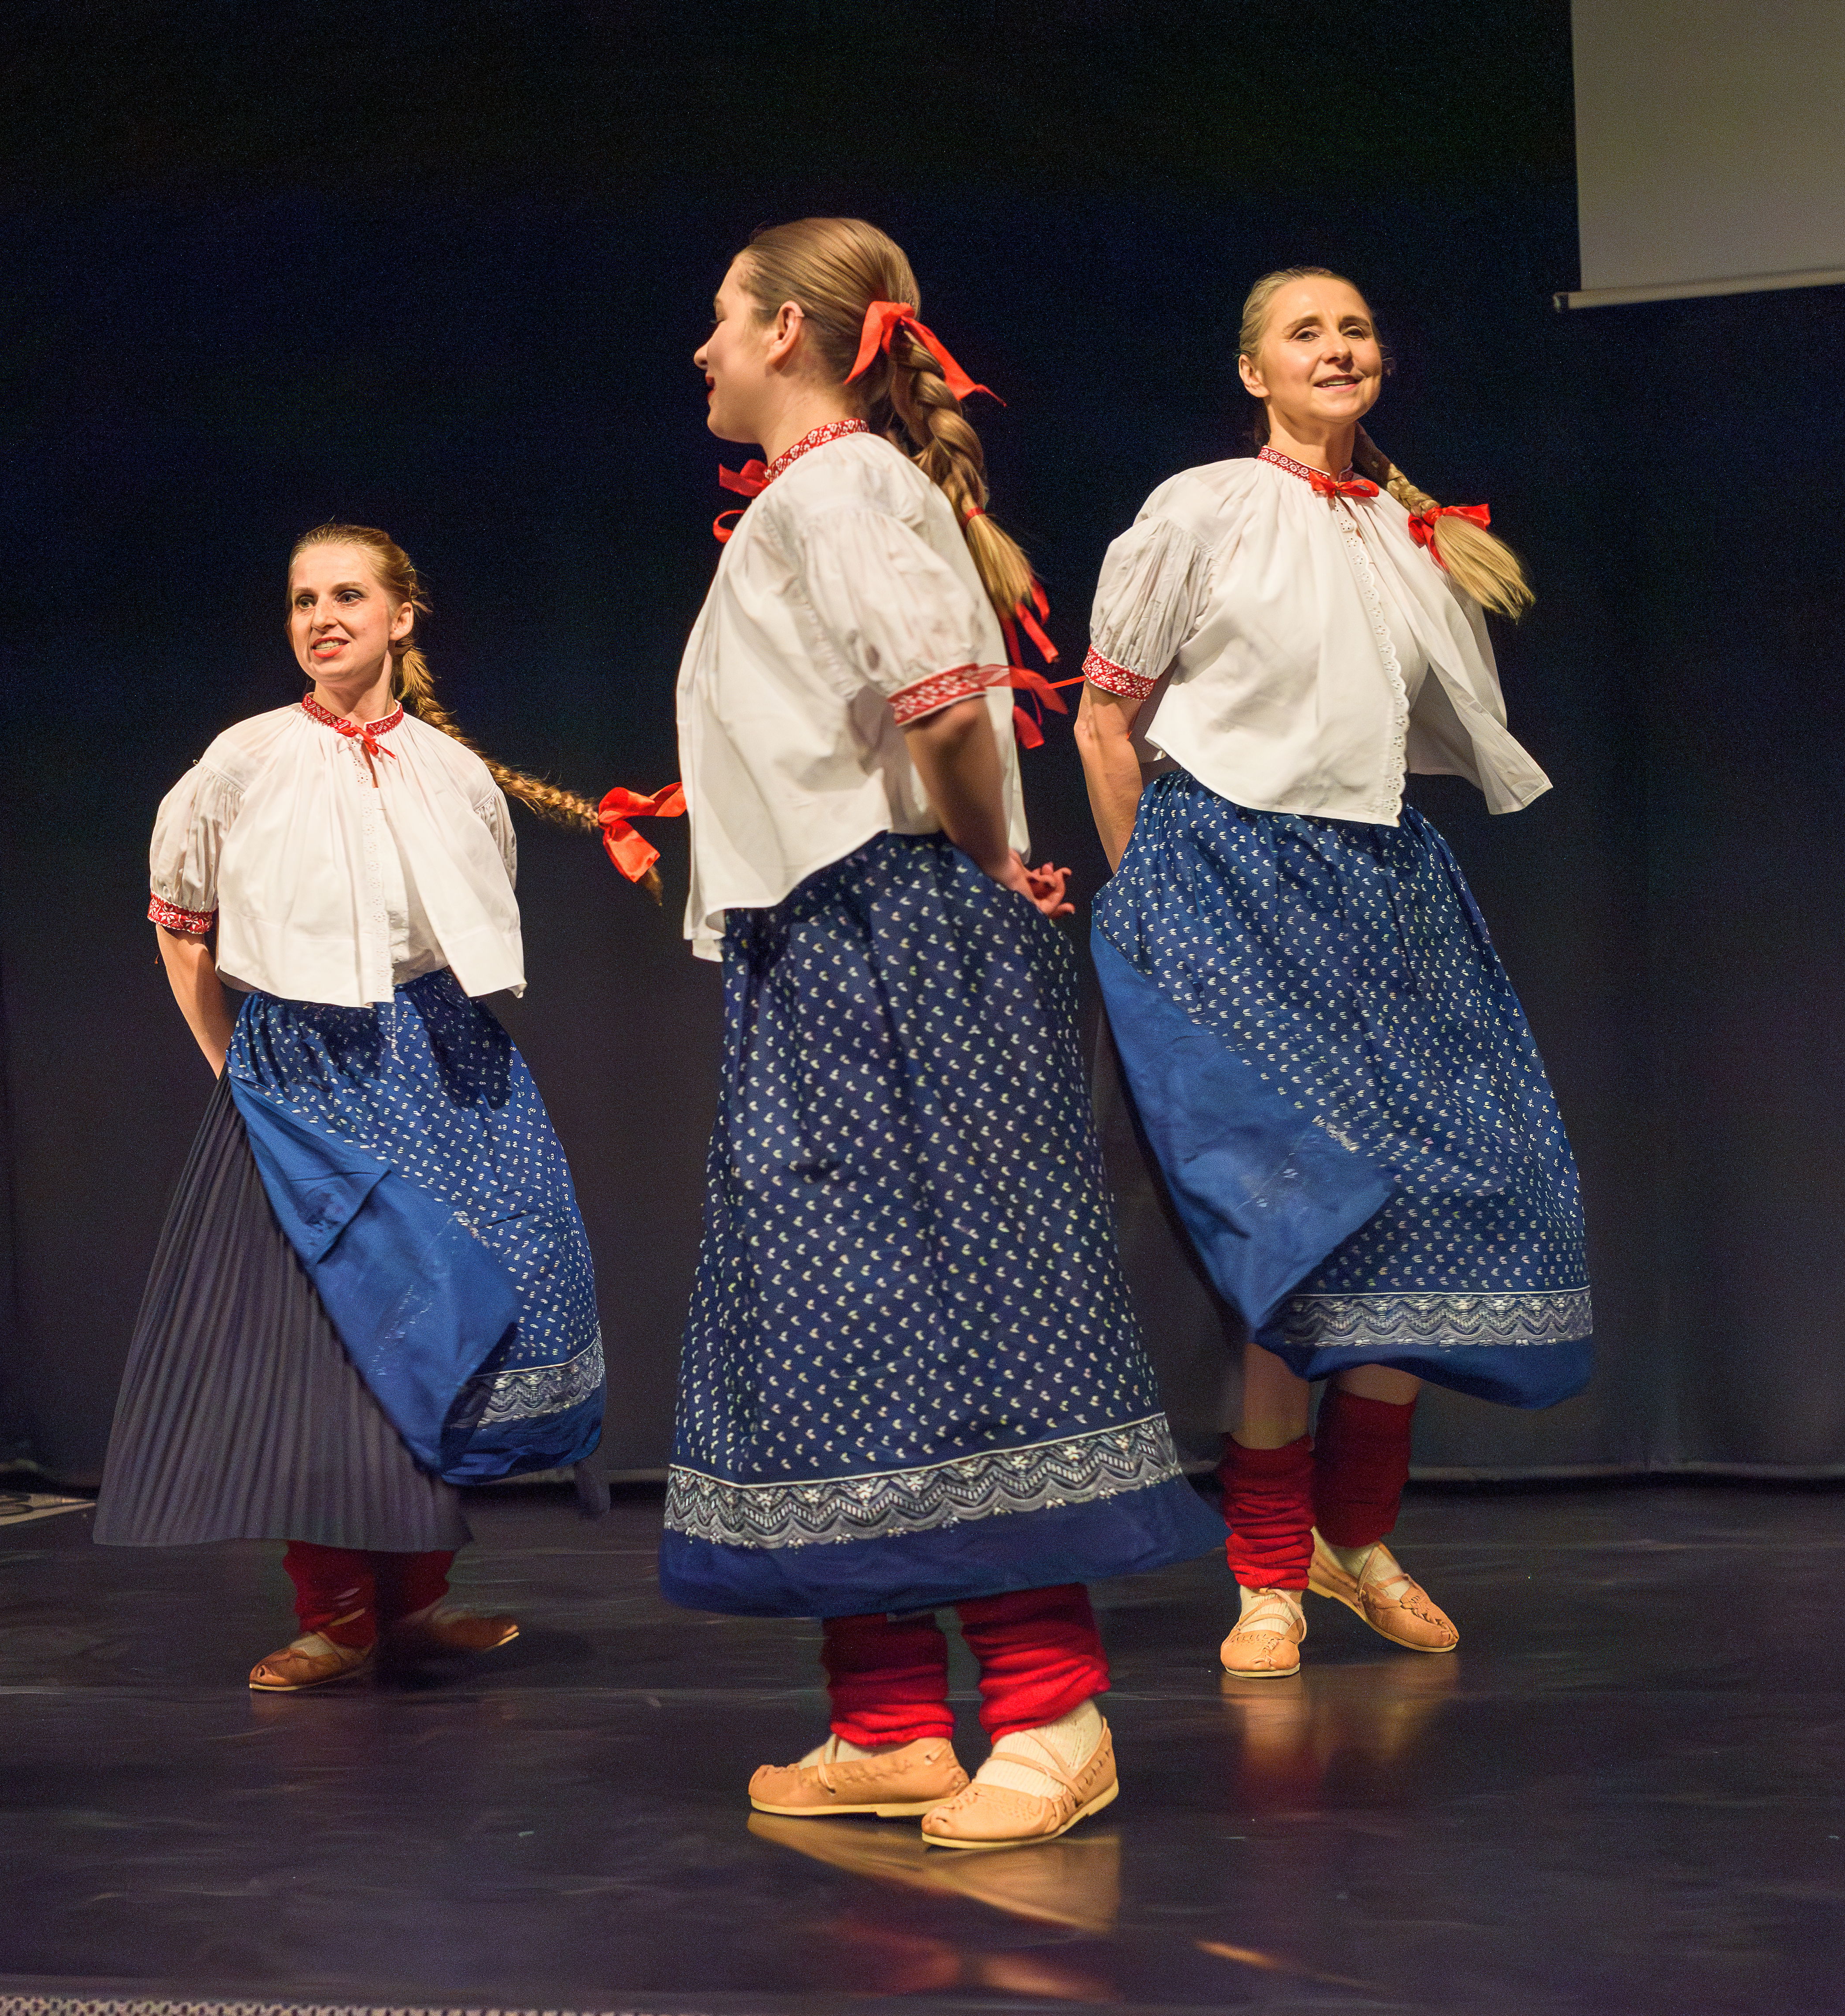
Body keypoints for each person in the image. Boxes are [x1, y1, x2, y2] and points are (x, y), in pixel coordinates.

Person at [662, 218, 1226, 1852]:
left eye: (719, 321)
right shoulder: (809, 497)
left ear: (788, 333)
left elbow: (945, 704)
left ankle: (1054, 1711)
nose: (701, 353)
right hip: (825, 938)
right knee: (836, 1312)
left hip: (896, 929)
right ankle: (892, 1719)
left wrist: (981, 863)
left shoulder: (844, 489)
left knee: (968, 1295)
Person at [1073, 267, 1591, 1682]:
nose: (1338, 346)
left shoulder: (1410, 534)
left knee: (1411, 1218)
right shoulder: (1205, 507)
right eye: (1306, 331)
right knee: (1287, 1230)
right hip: (1225, 875)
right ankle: (1264, 1569)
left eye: (1356, 327)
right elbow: (1107, 717)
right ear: (1254, 373)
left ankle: (1353, 1539)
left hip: (1377, 880)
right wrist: (1153, 901)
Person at [94, 524, 612, 1692]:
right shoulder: (244, 759)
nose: (323, 616)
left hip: (435, 1060)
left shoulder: (453, 771)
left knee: (437, 1325)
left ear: (401, 615)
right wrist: (237, 1072)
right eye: (301, 600)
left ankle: (417, 1600)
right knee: (330, 1345)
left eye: (346, 595)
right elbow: (183, 931)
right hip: (302, 1073)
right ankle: (336, 1613)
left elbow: (472, 916)